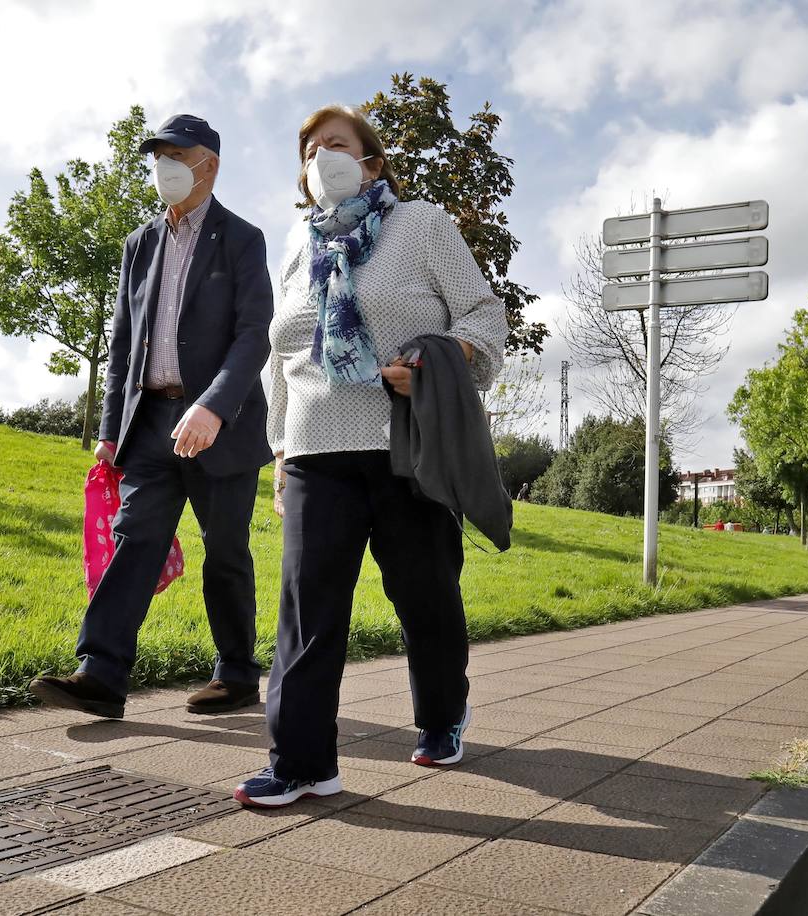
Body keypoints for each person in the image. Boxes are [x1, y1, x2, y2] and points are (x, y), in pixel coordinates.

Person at [234, 105, 509, 807]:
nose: (319, 158)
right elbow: (281, 352)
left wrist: (441, 360)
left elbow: (484, 313)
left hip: (405, 448)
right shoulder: (300, 244)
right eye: (308, 150)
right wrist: (278, 452)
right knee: (307, 611)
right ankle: (302, 762)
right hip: (314, 452)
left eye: (334, 145)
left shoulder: (422, 226)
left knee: (426, 598)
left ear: (372, 163)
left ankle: (443, 714)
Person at [30, 114, 274, 720]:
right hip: (148, 424)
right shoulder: (139, 244)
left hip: (221, 425)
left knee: (225, 553)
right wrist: (110, 429)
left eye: (176, 154)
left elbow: (253, 336)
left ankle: (238, 674)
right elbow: (122, 343)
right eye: (157, 155)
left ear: (208, 165)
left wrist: (213, 406)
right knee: (134, 539)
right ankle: (102, 675)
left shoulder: (243, 239)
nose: (163, 166)